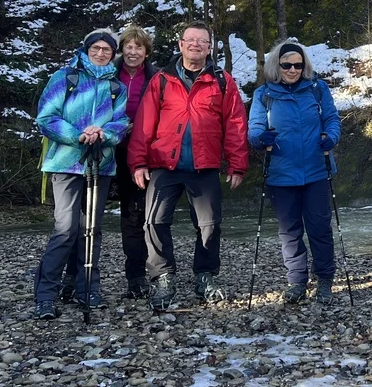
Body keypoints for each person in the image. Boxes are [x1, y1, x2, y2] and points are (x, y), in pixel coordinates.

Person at [127, 21, 249, 310]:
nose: (195, 45)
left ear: (209, 47)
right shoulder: (161, 80)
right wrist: (138, 162)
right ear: (180, 44)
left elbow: (235, 124)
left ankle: (205, 276)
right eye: (190, 40)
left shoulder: (223, 81)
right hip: (163, 165)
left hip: (204, 165)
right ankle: (163, 277)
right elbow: (144, 124)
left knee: (209, 225)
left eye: (201, 41)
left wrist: (237, 164)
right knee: (154, 222)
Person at [33, 28, 130, 320]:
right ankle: (45, 294)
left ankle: (85, 287)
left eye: (107, 50)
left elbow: (122, 122)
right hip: (65, 163)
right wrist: (78, 136)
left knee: (92, 229)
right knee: (66, 229)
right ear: (87, 49)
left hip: (100, 165)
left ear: (114, 54)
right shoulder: (66, 77)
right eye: (96, 48)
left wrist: (103, 133)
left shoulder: (116, 87)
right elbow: (46, 117)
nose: (101, 53)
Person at [247, 42, 342, 305]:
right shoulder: (264, 94)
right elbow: (254, 127)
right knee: (289, 231)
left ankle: (324, 280)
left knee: (320, 228)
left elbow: (332, 118)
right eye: (286, 64)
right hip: (281, 173)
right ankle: (297, 281)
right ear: (276, 65)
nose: (292, 69)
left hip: (316, 170)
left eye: (298, 65)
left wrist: (331, 137)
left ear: (304, 66)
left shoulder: (317, 89)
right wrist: (259, 137)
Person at [113, 25, 158, 299]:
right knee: (86, 216)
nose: (132, 52)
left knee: (135, 215)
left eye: (138, 47)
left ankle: (137, 276)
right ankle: (77, 277)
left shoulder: (156, 78)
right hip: (107, 151)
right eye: (128, 46)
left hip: (141, 152)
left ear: (146, 51)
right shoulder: (108, 73)